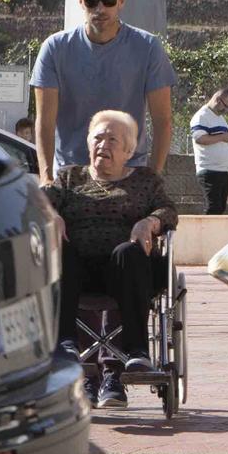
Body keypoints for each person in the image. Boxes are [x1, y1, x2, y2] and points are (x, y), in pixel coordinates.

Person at [52, 111, 179, 409]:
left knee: (128, 252)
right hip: (78, 272)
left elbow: (169, 211)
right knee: (60, 252)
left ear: (129, 150)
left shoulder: (145, 180)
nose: (103, 145)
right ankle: (65, 344)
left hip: (125, 273)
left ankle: (137, 352)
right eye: (97, 137)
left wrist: (149, 222)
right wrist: (51, 215)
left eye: (112, 139)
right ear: (87, 142)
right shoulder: (70, 177)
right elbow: (39, 202)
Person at [30, 0, 176, 183]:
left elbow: (163, 120)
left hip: (130, 172)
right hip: (71, 173)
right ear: (81, 2)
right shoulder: (54, 48)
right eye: (91, 1)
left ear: (121, 1)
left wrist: (152, 178)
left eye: (108, 0)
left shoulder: (147, 47)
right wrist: (46, 178)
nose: (100, 9)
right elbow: (45, 122)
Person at [191, 88, 228, 216]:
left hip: (223, 171)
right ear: (218, 100)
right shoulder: (202, 116)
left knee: (220, 208)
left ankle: (214, 235)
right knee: (213, 208)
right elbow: (199, 138)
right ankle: (206, 236)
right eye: (225, 106)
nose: (226, 110)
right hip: (210, 170)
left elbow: (218, 138)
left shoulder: (219, 118)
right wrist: (223, 137)